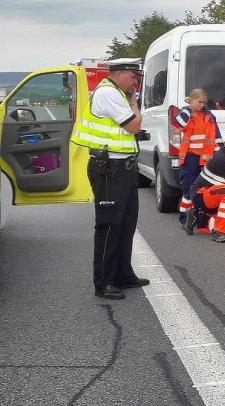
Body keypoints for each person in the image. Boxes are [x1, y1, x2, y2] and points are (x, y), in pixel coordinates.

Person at [71, 59, 149, 300]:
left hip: (122, 168)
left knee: (126, 224)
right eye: (134, 77)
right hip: (109, 169)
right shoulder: (108, 93)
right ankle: (103, 282)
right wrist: (134, 101)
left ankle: (123, 275)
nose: (136, 82)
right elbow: (134, 125)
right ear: (120, 74)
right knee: (109, 225)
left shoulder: (116, 93)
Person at [173, 89, 219, 225]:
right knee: (188, 188)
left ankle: (201, 220)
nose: (202, 105)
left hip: (206, 157)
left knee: (204, 189)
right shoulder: (186, 115)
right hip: (190, 157)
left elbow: (216, 136)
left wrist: (217, 155)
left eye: (204, 102)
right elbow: (176, 125)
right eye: (199, 102)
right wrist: (187, 110)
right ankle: (185, 219)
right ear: (191, 100)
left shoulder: (209, 116)